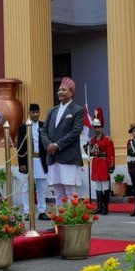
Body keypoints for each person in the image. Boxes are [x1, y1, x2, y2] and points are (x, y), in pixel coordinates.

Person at [41, 77, 87, 220]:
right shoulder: (52, 111)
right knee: (58, 192)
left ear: (71, 92)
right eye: (59, 89)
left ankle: (72, 220)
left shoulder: (78, 110)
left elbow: (75, 132)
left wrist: (57, 145)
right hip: (53, 157)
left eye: (63, 89)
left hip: (68, 157)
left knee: (70, 191)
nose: (60, 92)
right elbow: (43, 131)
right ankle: (60, 221)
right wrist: (49, 145)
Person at [15, 103, 49, 219]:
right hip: (28, 160)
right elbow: (20, 146)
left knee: (42, 188)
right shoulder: (23, 127)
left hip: (41, 160)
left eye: (37, 112)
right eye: (33, 112)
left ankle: (42, 211)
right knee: (26, 188)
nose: (35, 114)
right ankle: (27, 212)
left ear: (39, 112)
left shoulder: (44, 126)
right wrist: (22, 163)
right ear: (29, 113)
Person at [86, 118, 115, 215]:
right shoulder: (92, 140)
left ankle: (105, 207)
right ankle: (99, 206)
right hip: (96, 163)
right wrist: (88, 148)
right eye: (95, 127)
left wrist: (111, 167)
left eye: (98, 127)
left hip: (104, 164)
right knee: (98, 186)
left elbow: (111, 154)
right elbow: (89, 152)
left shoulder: (107, 139)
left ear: (101, 127)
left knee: (105, 186)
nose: (96, 129)